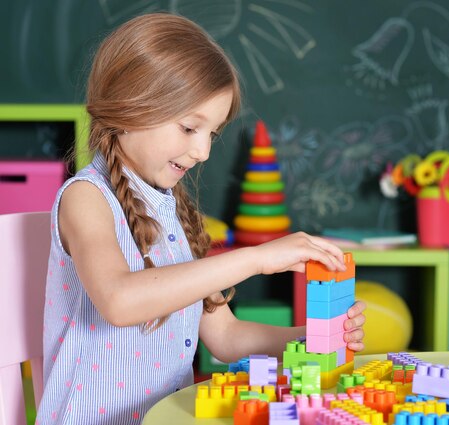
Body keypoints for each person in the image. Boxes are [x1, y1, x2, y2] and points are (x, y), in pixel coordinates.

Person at [36, 13, 366, 425]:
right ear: (129, 107)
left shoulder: (174, 212)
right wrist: (255, 259)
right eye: (190, 128)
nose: (203, 152)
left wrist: (313, 339)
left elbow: (226, 337)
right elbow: (120, 301)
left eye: (211, 134)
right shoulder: (86, 198)